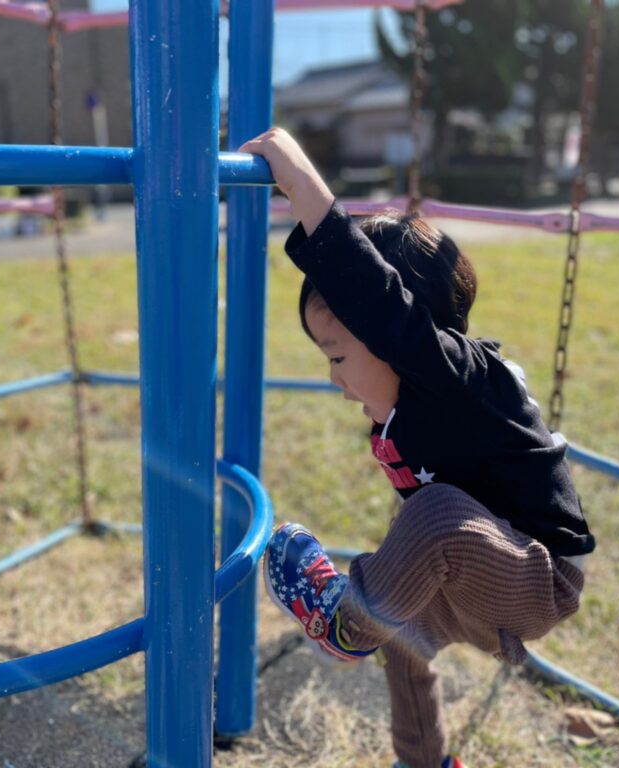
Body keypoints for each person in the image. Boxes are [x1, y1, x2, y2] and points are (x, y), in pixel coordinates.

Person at [241, 127, 595, 768]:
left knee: (431, 518)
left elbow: (381, 306)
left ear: (401, 340)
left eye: (339, 357)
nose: (335, 380)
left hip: (535, 578)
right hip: (469, 582)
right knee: (402, 638)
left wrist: (301, 184)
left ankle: (346, 622)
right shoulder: (408, 406)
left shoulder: (460, 377)